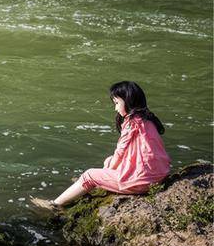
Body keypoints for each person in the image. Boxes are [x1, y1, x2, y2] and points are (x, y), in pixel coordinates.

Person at [31, 81, 171, 210]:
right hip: (159, 175)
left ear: (128, 101)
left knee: (89, 175)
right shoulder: (147, 119)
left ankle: (55, 205)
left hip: (142, 182)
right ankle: (92, 183)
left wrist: (101, 175)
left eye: (117, 103)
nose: (115, 108)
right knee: (108, 161)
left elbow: (120, 152)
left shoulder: (131, 123)